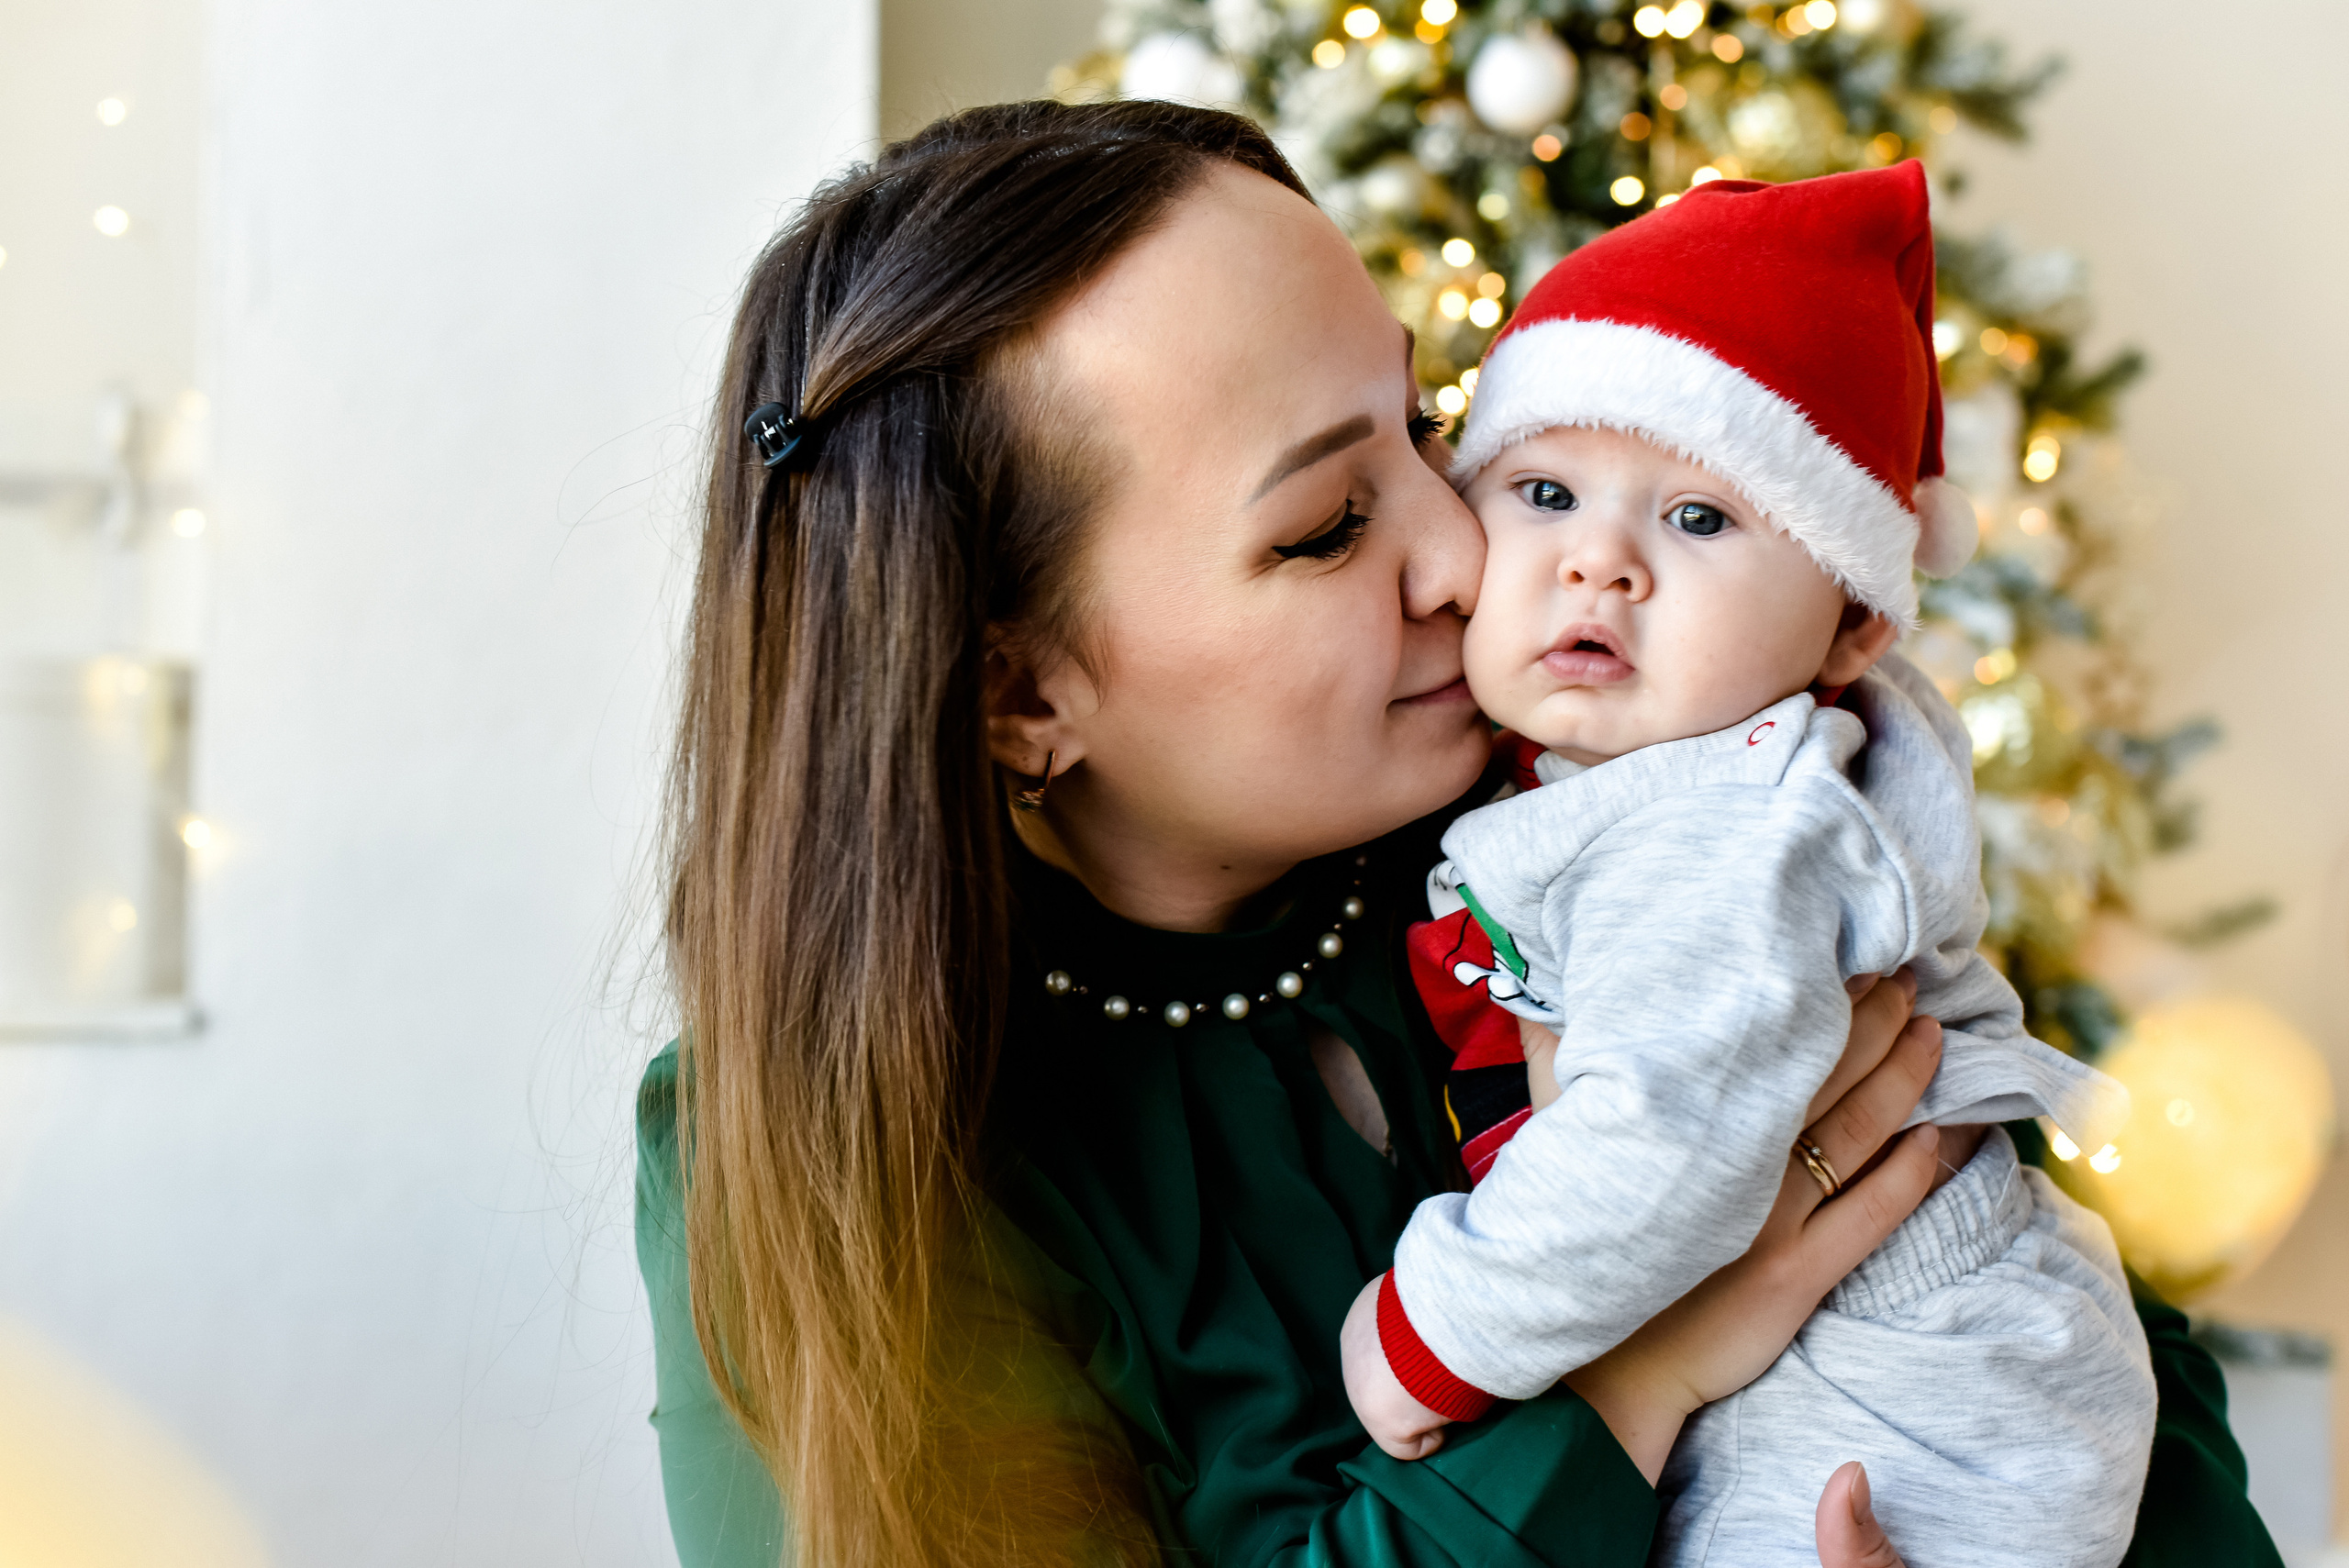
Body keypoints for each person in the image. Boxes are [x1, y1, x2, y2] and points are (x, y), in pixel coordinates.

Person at [634, 98, 2281, 1568]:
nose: (1466, 549)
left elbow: (2079, 1332)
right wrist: (1648, 1369)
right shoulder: (828, 1141)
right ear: (1017, 695)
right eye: (1328, 524)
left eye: (1435, 428)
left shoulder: (1628, 790)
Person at [1337, 164, 2155, 1567]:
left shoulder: (1725, 832)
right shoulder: (1635, 771)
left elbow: (1656, 1147)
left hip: (1901, 1400)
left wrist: (1429, 1337)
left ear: (1849, 632)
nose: (1600, 563)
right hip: (1906, 1354)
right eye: (1542, 490)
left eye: (1699, 518)